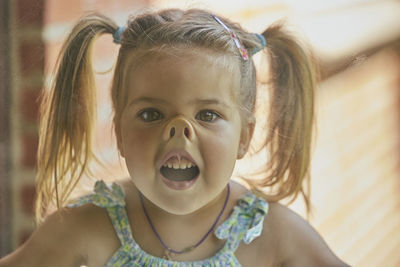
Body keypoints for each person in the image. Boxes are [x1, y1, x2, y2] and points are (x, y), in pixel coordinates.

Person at [0, 8, 350, 267]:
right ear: (119, 131)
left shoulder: (271, 234)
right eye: (152, 114)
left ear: (244, 137)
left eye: (207, 115)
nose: (179, 131)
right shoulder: (86, 226)